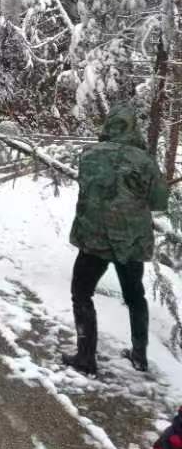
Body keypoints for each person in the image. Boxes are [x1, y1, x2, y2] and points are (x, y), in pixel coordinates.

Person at [62, 103, 169, 375]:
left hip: (93, 241)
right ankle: (139, 355)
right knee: (135, 297)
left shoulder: (89, 155)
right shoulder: (145, 161)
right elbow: (158, 203)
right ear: (133, 128)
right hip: (130, 243)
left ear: (108, 126)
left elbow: (88, 188)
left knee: (81, 294)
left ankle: (86, 357)